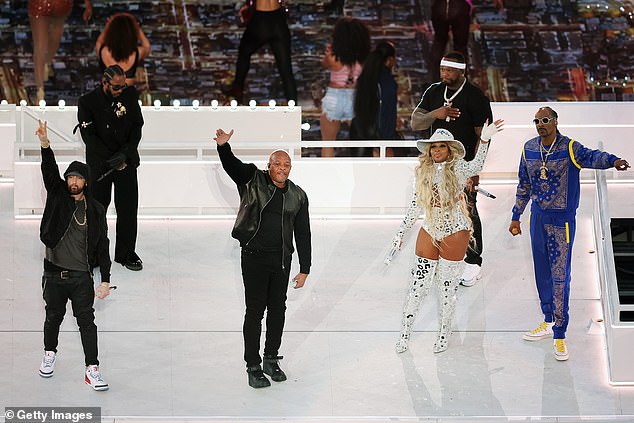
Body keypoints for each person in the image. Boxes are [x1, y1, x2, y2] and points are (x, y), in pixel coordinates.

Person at [510, 106, 630, 361]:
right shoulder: (529, 148)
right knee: (541, 273)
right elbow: (524, 184)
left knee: (560, 275)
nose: (540, 124)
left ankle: (560, 333)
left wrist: (613, 160)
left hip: (561, 221)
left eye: (545, 120)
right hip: (538, 219)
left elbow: (592, 156)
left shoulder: (569, 147)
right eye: (536, 121)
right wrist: (515, 216)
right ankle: (547, 319)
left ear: (555, 121)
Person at [387, 120, 504, 354]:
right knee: (417, 287)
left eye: (442, 146)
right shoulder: (422, 173)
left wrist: (484, 140)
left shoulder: (460, 168)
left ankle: (443, 334)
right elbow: (414, 206)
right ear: (429, 150)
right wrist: (400, 234)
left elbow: (478, 164)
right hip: (430, 229)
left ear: (450, 149)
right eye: (434, 146)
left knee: (446, 289)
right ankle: (405, 334)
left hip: (455, 231)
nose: (437, 150)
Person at [213, 128, 311, 389]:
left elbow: (303, 233)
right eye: (277, 163)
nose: (282, 168)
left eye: (287, 164)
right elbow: (232, 167)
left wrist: (305, 268)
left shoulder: (298, 195)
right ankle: (253, 366)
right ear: (269, 166)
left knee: (278, 311)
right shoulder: (252, 178)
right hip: (254, 258)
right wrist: (223, 147)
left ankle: (271, 358)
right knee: (255, 312)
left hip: (281, 261)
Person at [36, 119, 111, 391]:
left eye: (78, 178)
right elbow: (48, 171)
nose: (73, 182)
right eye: (70, 177)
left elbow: (103, 246)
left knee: (87, 324)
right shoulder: (57, 195)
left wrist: (104, 279)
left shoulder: (96, 209)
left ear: (86, 182)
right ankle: (49, 354)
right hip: (54, 273)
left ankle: (92, 369)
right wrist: (45, 144)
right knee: (52, 317)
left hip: (81, 276)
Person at [411, 51, 492, 287]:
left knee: (468, 210)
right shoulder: (434, 92)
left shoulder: (476, 97)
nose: (444, 74)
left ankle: (473, 260)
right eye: (442, 70)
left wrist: (474, 171)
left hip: (462, 168)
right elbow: (416, 122)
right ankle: (445, 255)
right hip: (435, 166)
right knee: (437, 208)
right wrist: (437, 113)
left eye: (449, 70)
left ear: (461, 71)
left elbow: (483, 136)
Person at [77, 65, 145, 271]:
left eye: (123, 86)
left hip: (126, 162)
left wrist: (124, 155)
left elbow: (137, 126)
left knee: (127, 209)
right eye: (116, 87)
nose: (120, 90)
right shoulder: (87, 102)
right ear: (104, 82)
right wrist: (111, 160)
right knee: (97, 210)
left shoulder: (131, 95)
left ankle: (126, 253)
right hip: (100, 166)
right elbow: (89, 138)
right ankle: (95, 253)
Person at [223, 0, 296, 104]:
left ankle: (237, 89)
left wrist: (247, 4)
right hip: (278, 20)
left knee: (244, 53)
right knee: (286, 70)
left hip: (261, 20)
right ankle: (294, 109)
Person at [320, 17, 371, 157]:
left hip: (334, 97)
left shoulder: (333, 54)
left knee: (327, 144)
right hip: (354, 97)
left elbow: (324, 65)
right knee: (360, 142)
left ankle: (327, 176)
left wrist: (327, 54)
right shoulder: (363, 57)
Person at [28, 0, 92, 103]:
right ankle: (40, 90)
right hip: (41, 4)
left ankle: (47, 63)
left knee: (54, 39)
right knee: (40, 44)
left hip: (60, 5)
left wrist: (88, 5)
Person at [350, 40, 398, 157]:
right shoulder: (386, 82)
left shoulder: (366, 78)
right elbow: (386, 112)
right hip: (379, 139)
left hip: (361, 134)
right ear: (390, 60)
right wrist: (386, 141)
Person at [96, 12, 151, 88]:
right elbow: (147, 47)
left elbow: (99, 41)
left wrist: (109, 23)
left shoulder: (104, 52)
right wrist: (136, 27)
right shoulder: (135, 54)